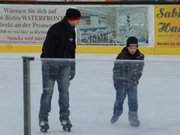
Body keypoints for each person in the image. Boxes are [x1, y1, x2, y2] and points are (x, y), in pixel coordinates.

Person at [39, 8, 81, 133]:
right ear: (72, 19)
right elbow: (47, 50)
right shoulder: (55, 29)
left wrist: (72, 67)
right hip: (49, 66)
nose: (79, 22)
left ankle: (65, 118)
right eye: (78, 19)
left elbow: (72, 50)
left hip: (65, 66)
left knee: (64, 93)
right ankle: (43, 120)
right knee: (47, 94)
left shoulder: (72, 30)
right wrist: (52, 67)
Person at [111, 37, 144, 127]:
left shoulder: (140, 56)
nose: (133, 49)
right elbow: (116, 71)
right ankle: (116, 114)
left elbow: (140, 70)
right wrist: (117, 83)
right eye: (131, 47)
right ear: (127, 47)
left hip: (132, 83)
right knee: (119, 100)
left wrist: (135, 80)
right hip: (121, 83)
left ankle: (133, 119)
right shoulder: (121, 56)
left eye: (135, 47)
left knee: (133, 101)